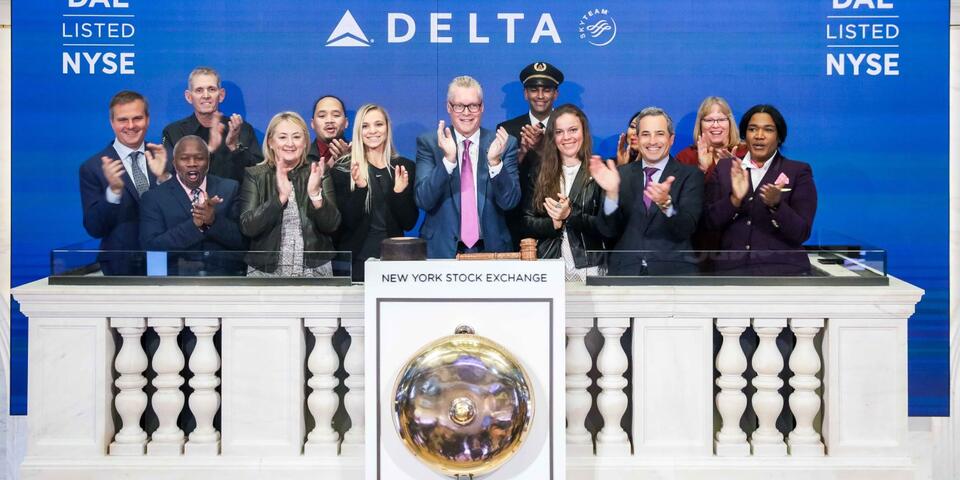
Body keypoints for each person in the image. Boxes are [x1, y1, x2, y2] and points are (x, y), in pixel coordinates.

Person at [703, 104, 817, 275]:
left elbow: (802, 233)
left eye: (768, 130)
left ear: (779, 136)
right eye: (752, 129)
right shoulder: (725, 168)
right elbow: (708, 222)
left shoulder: (798, 171)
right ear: (744, 135)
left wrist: (777, 205)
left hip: (783, 273)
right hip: (732, 272)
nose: (759, 136)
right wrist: (734, 200)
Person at [590, 107, 704, 275]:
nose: (652, 141)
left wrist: (666, 205)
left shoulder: (691, 175)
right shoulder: (620, 174)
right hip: (625, 274)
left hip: (673, 274)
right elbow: (608, 231)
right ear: (636, 138)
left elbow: (687, 228)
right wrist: (612, 194)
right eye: (645, 134)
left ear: (671, 139)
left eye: (659, 134)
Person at [415, 75, 519, 258]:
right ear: (449, 107)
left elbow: (509, 202)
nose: (466, 112)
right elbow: (423, 200)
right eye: (459, 106)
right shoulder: (430, 143)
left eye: (473, 106)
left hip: (492, 252)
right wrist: (448, 161)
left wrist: (495, 163)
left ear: (482, 108)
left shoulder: (504, 144)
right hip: (442, 251)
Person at [80, 90, 171, 275]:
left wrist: (163, 179)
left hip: (170, 264)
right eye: (123, 120)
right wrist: (113, 191)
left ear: (148, 119)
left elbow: (184, 214)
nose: (130, 126)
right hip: (120, 269)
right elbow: (94, 228)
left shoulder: (167, 159)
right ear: (112, 123)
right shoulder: (93, 167)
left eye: (137, 118)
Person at [239, 112, 340, 276]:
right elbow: (248, 227)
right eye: (283, 137)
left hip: (313, 270)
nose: (290, 143)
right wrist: (279, 199)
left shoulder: (319, 172)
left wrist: (315, 195)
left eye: (297, 137)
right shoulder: (255, 175)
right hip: (265, 271)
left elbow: (332, 225)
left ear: (305, 141)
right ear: (271, 142)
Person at [331, 104, 418, 281]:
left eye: (378, 124)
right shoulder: (344, 169)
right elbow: (345, 223)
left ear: (387, 127)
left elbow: (409, 223)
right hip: (356, 262)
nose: (372, 131)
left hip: (393, 262)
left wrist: (399, 193)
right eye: (365, 126)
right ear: (358, 131)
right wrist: (361, 189)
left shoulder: (403, 167)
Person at [521, 104, 606, 281]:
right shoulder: (539, 172)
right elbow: (526, 221)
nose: (566, 137)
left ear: (584, 132)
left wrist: (570, 214)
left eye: (573, 130)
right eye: (559, 132)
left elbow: (607, 226)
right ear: (552, 136)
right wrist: (554, 223)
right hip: (549, 264)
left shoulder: (599, 171)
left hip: (589, 265)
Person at [139, 135, 246, 275]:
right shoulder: (154, 198)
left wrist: (213, 221)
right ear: (174, 163)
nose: (192, 163)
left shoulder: (229, 188)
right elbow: (151, 248)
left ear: (208, 162)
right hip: (177, 282)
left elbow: (243, 242)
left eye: (199, 158)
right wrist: (195, 225)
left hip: (223, 281)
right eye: (184, 158)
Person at [497, 62, 564, 247]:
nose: (540, 96)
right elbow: (500, 182)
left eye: (547, 89)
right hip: (517, 222)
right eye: (534, 90)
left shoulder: (567, 128)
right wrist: (521, 153)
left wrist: (544, 149)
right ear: (525, 94)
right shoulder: (507, 130)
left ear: (556, 94)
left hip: (558, 218)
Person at [162, 67, 263, 183]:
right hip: (189, 201)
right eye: (199, 90)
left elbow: (258, 177)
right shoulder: (173, 132)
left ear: (221, 95)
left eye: (211, 89)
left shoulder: (243, 129)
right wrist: (208, 150)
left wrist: (235, 147)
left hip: (235, 200)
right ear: (189, 97)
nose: (206, 95)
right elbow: (171, 180)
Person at [675, 96, 746, 176]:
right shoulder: (685, 158)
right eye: (709, 120)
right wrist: (702, 169)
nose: (715, 125)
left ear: (730, 123)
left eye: (721, 120)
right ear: (700, 125)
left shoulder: (745, 153)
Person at [308, 95, 351, 169]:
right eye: (322, 116)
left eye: (336, 115)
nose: (329, 120)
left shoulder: (359, 153)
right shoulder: (302, 156)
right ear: (312, 124)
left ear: (346, 123)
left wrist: (347, 162)